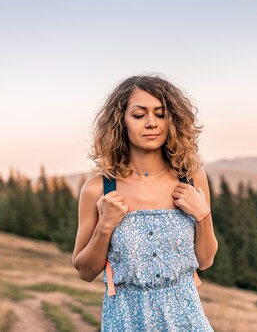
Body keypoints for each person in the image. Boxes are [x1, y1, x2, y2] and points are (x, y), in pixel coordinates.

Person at [72, 74, 218, 331]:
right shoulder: (99, 189)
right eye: (139, 115)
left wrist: (203, 217)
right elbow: (85, 271)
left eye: (160, 114)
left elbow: (205, 261)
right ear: (121, 122)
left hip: (188, 319)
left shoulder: (192, 179)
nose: (151, 123)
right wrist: (105, 226)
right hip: (126, 320)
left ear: (172, 120)